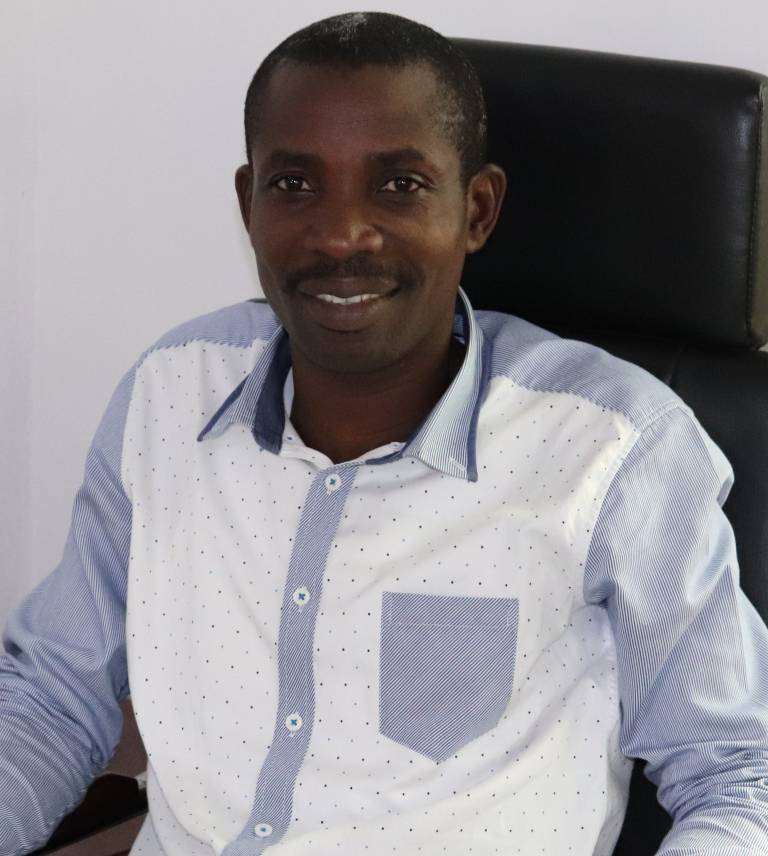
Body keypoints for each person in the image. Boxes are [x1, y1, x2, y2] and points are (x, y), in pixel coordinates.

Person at [2, 10, 767, 856]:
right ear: (248, 203)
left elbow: (741, 776)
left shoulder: (613, 450)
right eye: (295, 184)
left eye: (399, 185)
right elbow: (49, 699)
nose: (341, 235)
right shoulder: (171, 392)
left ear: (477, 209)